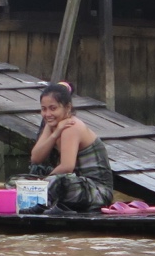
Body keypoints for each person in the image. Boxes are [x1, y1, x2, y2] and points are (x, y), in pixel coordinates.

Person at [25, 81, 113, 212]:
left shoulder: (72, 126)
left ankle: (42, 204)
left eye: (53, 108)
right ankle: (42, 201)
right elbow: (36, 158)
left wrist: (41, 185)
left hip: (96, 192)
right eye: (44, 109)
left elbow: (67, 167)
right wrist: (55, 134)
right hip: (73, 182)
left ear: (67, 108)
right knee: (32, 173)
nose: (47, 114)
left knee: (58, 182)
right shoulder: (52, 124)